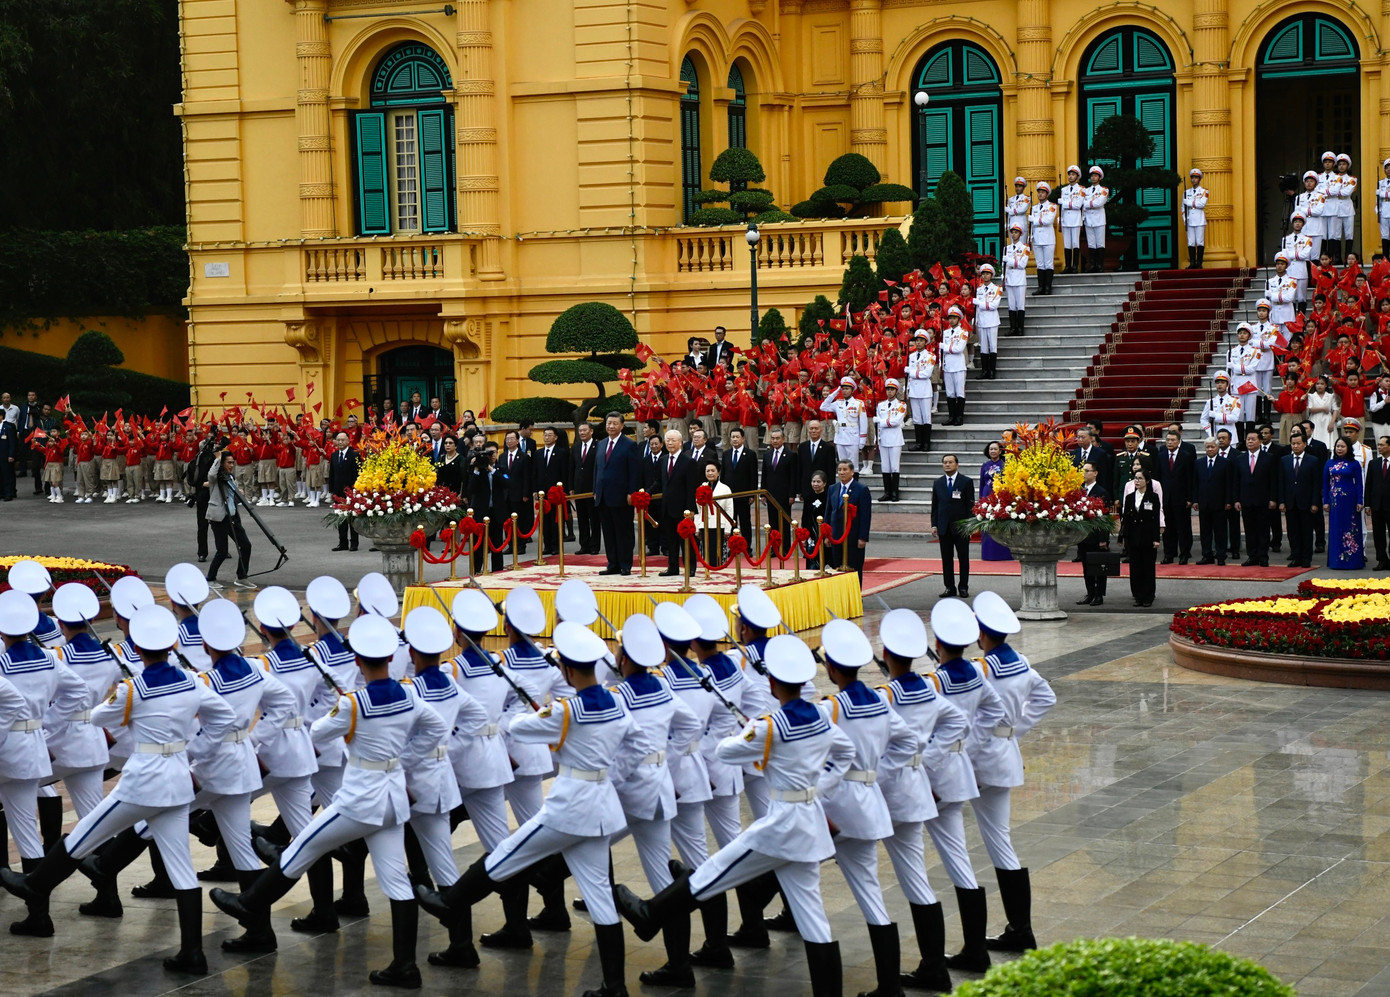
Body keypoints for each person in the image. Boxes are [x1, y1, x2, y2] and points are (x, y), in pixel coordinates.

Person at [212, 614, 449, 988]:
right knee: (395, 881)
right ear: (390, 659)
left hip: (359, 800)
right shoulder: (409, 694)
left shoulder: (354, 703)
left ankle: (250, 903)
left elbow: (320, 730)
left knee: (300, 845)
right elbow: (435, 728)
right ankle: (405, 965)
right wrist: (403, 757)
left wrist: (345, 714)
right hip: (392, 798)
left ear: (358, 661)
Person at [614, 634, 855, 997]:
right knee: (814, 920)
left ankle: (650, 913)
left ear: (772, 683)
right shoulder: (820, 720)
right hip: (808, 823)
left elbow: (727, 752)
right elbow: (846, 750)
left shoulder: (768, 727)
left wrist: (747, 733)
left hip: (781, 826)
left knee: (713, 871)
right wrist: (818, 787)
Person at [2, 602, 237, 974]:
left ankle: (36, 885)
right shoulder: (192, 682)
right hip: (177, 779)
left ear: (140, 650)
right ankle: (192, 952)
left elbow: (97, 715)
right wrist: (193, 752)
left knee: (83, 837)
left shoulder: (134, 689)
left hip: (143, 782)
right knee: (182, 868)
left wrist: (129, 700)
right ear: (171, 646)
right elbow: (224, 717)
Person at [418, 621, 643, 997]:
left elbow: (521, 728)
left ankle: (449, 901)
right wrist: (605, 774)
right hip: (602, 806)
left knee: (506, 853)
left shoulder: (566, 711)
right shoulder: (616, 703)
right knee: (600, 898)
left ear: (569, 670)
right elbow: (635, 748)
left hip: (569, 809)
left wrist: (534, 708)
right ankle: (614, 986)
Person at [816, 619, 918, 997]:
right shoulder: (877, 699)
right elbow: (906, 742)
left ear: (831, 668)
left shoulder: (832, 708)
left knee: (784, 863)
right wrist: (875, 773)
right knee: (870, 894)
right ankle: (890, 986)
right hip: (867, 804)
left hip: (837, 810)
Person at [969, 592, 1056, 954]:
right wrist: (1014, 730)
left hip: (977, 762)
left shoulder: (980, 670)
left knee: (984, 843)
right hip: (1004, 756)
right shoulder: (1021, 663)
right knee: (1000, 841)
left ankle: (1018, 929)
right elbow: (1046, 698)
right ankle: (1020, 928)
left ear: (981, 633)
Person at [594, 411, 641, 576]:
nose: (611, 426)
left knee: (623, 532)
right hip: (603, 495)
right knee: (608, 532)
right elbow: (597, 470)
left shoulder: (629, 445)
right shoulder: (601, 444)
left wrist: (631, 492)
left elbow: (634, 472)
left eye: (614, 423)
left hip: (621, 496)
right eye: (608, 423)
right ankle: (612, 563)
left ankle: (625, 564)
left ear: (621, 425)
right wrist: (595, 490)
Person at [205, 452, 254, 588]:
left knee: (246, 546)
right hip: (219, 518)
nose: (232, 465)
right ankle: (210, 579)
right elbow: (211, 475)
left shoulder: (231, 477)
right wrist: (218, 459)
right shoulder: (216, 478)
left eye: (233, 462)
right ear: (222, 464)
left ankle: (242, 577)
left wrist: (239, 493)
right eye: (229, 462)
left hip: (232, 517)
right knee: (222, 551)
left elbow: (232, 498)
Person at [1277, 433, 1323, 569]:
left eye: (1298, 443)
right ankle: (1295, 556)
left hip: (1307, 502)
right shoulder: (1284, 460)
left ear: (1305, 444)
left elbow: (1316, 484)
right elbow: (1281, 482)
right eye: (1293, 443)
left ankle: (1306, 558)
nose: (1295, 446)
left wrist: (1315, 502)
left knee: (1306, 531)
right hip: (1290, 502)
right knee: (1293, 531)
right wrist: (1281, 501)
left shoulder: (1313, 460)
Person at [931, 453, 974, 598]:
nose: (947, 465)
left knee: (963, 558)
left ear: (957, 464)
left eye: (950, 462)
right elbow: (935, 506)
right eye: (945, 462)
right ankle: (949, 587)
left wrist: (970, 525)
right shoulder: (938, 483)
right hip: (944, 527)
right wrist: (934, 524)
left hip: (961, 527)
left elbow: (970, 505)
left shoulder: (966, 482)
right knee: (946, 559)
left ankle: (963, 587)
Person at [1120, 468, 1162, 607]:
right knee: (1135, 567)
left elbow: (1155, 519)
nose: (1137, 481)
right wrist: (1123, 536)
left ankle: (1148, 595)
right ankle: (1138, 595)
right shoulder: (1130, 497)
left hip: (1148, 537)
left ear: (1147, 481)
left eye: (1140, 478)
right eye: (1135, 478)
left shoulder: (1153, 497)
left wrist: (1156, 539)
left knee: (1148, 567)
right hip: (1133, 537)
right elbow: (1125, 518)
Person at [1323, 436, 1365, 570]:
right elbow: (1325, 484)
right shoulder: (1329, 463)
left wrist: (1360, 500)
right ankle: (1337, 561)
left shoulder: (1354, 464)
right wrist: (1325, 501)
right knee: (1336, 528)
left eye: (1342, 446)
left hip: (1350, 500)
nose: (1339, 449)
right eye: (1337, 446)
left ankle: (1353, 561)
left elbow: (1359, 484)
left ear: (1348, 448)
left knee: (1351, 528)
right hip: (1335, 501)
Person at [1155, 429, 1195, 564]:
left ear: (1178, 441)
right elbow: (1158, 477)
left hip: (1181, 498)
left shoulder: (1186, 456)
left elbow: (1190, 478)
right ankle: (1169, 554)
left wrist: (1190, 498)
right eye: (1168, 440)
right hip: (1165, 498)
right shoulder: (1160, 455)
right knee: (1168, 528)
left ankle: (1184, 553)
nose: (1170, 442)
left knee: (1183, 528)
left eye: (1172, 440)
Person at [827, 458, 871, 580]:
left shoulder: (861, 490)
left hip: (853, 536)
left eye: (845, 469)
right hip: (836, 536)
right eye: (839, 469)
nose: (842, 472)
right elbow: (829, 512)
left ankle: (855, 597)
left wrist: (863, 537)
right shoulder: (833, 489)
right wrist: (827, 535)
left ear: (852, 472)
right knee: (837, 567)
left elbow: (865, 516)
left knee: (854, 568)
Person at [1193, 438, 1235, 566]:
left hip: (1220, 503)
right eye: (1207, 447)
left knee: (1220, 531)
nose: (1210, 449)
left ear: (1217, 448)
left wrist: (1228, 501)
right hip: (1204, 503)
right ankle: (1207, 555)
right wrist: (1195, 500)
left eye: (1212, 447)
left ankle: (1221, 555)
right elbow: (1195, 484)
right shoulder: (1198, 463)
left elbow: (1229, 483)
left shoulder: (1225, 463)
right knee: (1205, 531)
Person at [1076, 462, 1111, 604]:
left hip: (1096, 536)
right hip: (1083, 536)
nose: (1083, 473)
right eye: (1082, 470)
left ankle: (1099, 594)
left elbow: (1104, 518)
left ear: (1095, 473)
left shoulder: (1101, 492)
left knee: (1098, 566)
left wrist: (1103, 539)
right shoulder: (1079, 491)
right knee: (1086, 566)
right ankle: (1090, 592)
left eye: (1087, 470)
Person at [536, 427, 570, 556]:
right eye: (545, 435)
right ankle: (547, 545)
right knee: (544, 521)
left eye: (550, 435)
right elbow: (536, 472)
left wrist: (563, 489)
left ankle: (556, 545)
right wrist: (535, 489)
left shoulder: (561, 452)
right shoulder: (538, 453)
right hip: (542, 493)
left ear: (555, 437)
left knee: (556, 520)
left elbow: (564, 472)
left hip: (556, 492)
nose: (547, 437)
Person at [819, 376, 868, 465]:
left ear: (852, 390)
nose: (844, 391)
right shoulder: (838, 403)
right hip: (840, 436)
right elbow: (823, 407)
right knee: (842, 463)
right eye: (843, 389)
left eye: (847, 389)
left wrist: (862, 440)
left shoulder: (858, 404)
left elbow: (863, 423)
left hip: (853, 436)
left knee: (853, 465)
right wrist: (834, 393)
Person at [762, 428, 797, 547]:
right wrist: (763, 493)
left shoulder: (791, 455)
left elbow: (793, 476)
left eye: (777, 438)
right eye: (773, 438)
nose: (775, 440)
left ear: (783, 439)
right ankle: (774, 547)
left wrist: (792, 494)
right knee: (773, 522)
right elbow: (764, 475)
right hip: (770, 494)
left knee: (784, 522)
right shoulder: (767, 455)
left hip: (785, 494)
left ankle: (785, 547)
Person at [873, 379, 906, 502]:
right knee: (885, 467)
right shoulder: (881, 405)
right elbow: (881, 424)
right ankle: (887, 492)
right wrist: (877, 437)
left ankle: (895, 492)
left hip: (895, 438)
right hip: (883, 438)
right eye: (888, 389)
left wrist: (880, 422)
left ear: (896, 391)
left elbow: (896, 422)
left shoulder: (901, 405)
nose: (889, 392)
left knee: (894, 467)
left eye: (892, 389)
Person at [328, 431, 362, 552]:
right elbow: (332, 474)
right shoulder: (334, 456)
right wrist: (331, 490)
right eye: (339, 440)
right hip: (338, 491)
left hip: (351, 492)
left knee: (352, 518)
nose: (341, 442)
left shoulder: (354, 455)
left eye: (343, 440)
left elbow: (357, 475)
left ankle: (354, 543)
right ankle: (342, 542)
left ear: (348, 441)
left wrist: (356, 492)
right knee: (341, 518)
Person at [722, 427, 757, 542]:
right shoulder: (726, 454)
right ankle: (732, 544)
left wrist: (752, 494)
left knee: (745, 521)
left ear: (743, 438)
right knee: (731, 521)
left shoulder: (750, 454)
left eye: (737, 437)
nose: (735, 439)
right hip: (729, 495)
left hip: (744, 494)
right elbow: (723, 474)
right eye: (733, 437)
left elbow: (753, 475)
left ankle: (747, 546)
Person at [978, 441, 1010, 561]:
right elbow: (981, 484)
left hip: (1000, 497)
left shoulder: (1005, 465)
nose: (993, 451)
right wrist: (981, 500)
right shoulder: (985, 466)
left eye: (995, 449)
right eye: (991, 449)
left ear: (1000, 451)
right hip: (987, 496)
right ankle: (988, 553)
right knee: (987, 523)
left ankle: (1003, 553)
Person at [572, 421, 599, 555]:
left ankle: (595, 546)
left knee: (594, 518)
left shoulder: (598, 446)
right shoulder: (576, 447)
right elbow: (572, 467)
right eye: (580, 431)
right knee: (582, 518)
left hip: (592, 489)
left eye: (584, 430)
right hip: (579, 489)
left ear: (591, 431)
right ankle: (584, 545)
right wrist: (572, 487)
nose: (582, 433)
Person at [904, 333, 935, 452]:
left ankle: (926, 443)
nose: (918, 343)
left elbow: (926, 374)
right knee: (917, 418)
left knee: (926, 417)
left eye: (921, 340)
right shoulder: (911, 356)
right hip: (914, 389)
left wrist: (910, 372)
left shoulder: (930, 356)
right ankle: (918, 442)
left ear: (925, 342)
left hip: (924, 389)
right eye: (917, 340)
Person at [940, 307, 969, 426]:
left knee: (960, 392)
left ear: (959, 319)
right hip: (948, 365)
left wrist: (945, 348)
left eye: (954, 318)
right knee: (950, 393)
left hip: (958, 365)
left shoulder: (963, 332)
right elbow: (942, 351)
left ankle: (959, 416)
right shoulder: (945, 333)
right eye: (950, 318)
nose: (951, 320)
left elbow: (959, 349)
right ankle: (951, 416)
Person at [973, 263, 1002, 379]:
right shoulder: (978, 290)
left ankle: (992, 371)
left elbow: (994, 305)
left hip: (992, 320)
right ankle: (985, 371)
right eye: (983, 274)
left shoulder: (997, 289)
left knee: (992, 346)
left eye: (987, 274)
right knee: (983, 347)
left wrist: (979, 303)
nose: (985, 276)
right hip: (981, 321)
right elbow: (977, 309)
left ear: (991, 275)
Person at [1365, 435, 1390, 569]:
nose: (1379, 447)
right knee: (1378, 534)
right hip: (1377, 505)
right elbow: (1368, 485)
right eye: (1378, 445)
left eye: (1382, 445)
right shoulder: (1374, 464)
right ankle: (1382, 560)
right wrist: (1367, 504)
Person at [1029, 181, 1057, 294]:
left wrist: (1035, 221)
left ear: (1047, 194)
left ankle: (1048, 287)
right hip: (1037, 238)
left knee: (1048, 263)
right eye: (1039, 192)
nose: (1040, 194)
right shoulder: (1034, 208)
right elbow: (1031, 225)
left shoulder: (1052, 206)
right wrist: (1031, 236)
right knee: (1040, 263)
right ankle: (1041, 287)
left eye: (1043, 192)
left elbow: (1048, 220)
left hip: (1048, 238)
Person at [1002, 226, 1030, 339]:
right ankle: (1013, 327)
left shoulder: (1025, 248)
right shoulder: (1006, 248)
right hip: (1009, 278)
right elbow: (1004, 266)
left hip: (1019, 278)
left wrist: (1009, 261)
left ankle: (1020, 328)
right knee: (1011, 305)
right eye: (1012, 232)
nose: (1013, 234)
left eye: (1016, 232)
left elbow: (1022, 264)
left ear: (1020, 234)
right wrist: (1003, 276)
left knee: (1020, 305)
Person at [1082, 166, 1109, 272]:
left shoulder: (1104, 190)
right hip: (1088, 219)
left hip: (1099, 220)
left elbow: (1099, 203)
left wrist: (1088, 204)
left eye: (1095, 176)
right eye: (1092, 176)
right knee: (1091, 243)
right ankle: (1092, 265)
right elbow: (1080, 203)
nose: (1093, 178)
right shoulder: (1085, 190)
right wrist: (1091, 204)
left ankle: (1100, 266)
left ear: (1100, 177)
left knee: (1100, 243)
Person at [802, 470, 831, 568]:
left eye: (818, 482)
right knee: (812, 565)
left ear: (824, 483)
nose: (815, 484)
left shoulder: (828, 497)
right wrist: (804, 536)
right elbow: (805, 517)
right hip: (812, 536)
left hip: (824, 535)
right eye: (813, 481)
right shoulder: (808, 497)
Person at [1059, 165, 1085, 274]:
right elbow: (1062, 208)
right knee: (1067, 244)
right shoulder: (1064, 189)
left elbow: (1078, 205)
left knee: (1075, 243)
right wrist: (1060, 219)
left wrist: (1065, 203)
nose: (1070, 176)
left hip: (1075, 219)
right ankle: (1067, 266)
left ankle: (1075, 266)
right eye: (1069, 174)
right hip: (1066, 219)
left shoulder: (1081, 189)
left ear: (1077, 176)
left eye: (1073, 174)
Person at [1306, 376, 1340, 451]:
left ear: (1326, 385)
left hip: (1327, 420)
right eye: (1317, 384)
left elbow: (1335, 410)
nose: (1319, 386)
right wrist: (1322, 408)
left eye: (1322, 384)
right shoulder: (1311, 396)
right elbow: (1310, 409)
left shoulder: (1331, 396)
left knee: (1328, 442)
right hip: (1315, 419)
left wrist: (1332, 422)